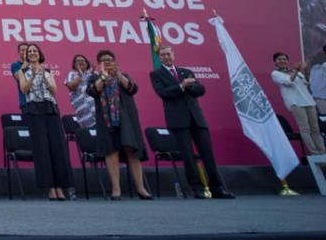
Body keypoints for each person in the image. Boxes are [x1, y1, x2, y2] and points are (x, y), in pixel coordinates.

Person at [149, 45, 234, 199]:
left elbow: (200, 90)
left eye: (169, 54)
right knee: (188, 156)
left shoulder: (186, 72)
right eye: (163, 55)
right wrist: (182, 86)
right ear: (159, 58)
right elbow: (163, 93)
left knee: (208, 154)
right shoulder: (156, 74)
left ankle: (217, 188)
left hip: (197, 118)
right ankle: (197, 188)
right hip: (178, 120)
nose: (167, 57)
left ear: (173, 55)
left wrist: (190, 85)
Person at [85, 49, 151, 200]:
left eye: (109, 59)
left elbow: (132, 89)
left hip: (126, 118)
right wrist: (103, 76)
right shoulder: (94, 78)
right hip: (107, 120)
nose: (107, 62)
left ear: (115, 62)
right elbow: (92, 91)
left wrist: (118, 75)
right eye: (103, 60)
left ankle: (141, 188)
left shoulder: (124, 76)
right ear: (99, 63)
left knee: (132, 151)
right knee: (111, 151)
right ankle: (116, 189)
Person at [15, 44, 70, 200]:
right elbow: (24, 90)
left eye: (35, 51)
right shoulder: (22, 72)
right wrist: (32, 75)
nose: (32, 53)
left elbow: (54, 90)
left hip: (50, 108)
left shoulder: (47, 70)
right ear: (27, 56)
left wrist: (45, 78)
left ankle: (60, 186)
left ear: (39, 54)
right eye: (30, 52)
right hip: (33, 109)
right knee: (42, 149)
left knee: (56, 147)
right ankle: (50, 187)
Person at [271, 52, 326, 156]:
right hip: (295, 103)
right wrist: (296, 70)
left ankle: (322, 152)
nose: (282, 61)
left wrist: (305, 71)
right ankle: (314, 153)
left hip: (308, 101)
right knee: (305, 128)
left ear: (287, 61)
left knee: (315, 128)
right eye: (279, 59)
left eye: (284, 59)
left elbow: (307, 82)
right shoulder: (275, 73)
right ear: (275, 62)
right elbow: (288, 82)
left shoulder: (296, 72)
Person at [65, 54, 96, 129]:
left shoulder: (94, 74)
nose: (80, 62)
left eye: (82, 60)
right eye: (77, 61)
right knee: (89, 139)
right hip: (84, 117)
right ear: (74, 65)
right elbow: (72, 86)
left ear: (87, 63)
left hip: (98, 113)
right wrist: (80, 74)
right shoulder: (71, 74)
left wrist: (91, 74)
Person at [10, 43, 29, 109]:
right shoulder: (15, 65)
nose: (24, 52)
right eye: (22, 50)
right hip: (25, 101)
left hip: (40, 101)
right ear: (19, 52)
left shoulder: (35, 64)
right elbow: (18, 77)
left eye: (26, 50)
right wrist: (26, 62)